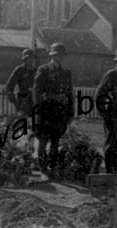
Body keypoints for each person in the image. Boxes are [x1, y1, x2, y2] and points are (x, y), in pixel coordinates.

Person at [33, 42, 74, 175]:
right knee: (43, 140)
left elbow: (70, 94)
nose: (60, 57)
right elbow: (37, 91)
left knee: (56, 140)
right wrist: (38, 109)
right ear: (52, 55)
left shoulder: (66, 73)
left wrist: (70, 112)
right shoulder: (43, 70)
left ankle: (52, 166)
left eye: (62, 55)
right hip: (46, 111)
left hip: (59, 112)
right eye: (57, 54)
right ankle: (42, 167)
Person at [5, 48, 36, 117]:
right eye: (28, 58)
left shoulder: (36, 70)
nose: (30, 60)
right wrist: (14, 101)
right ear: (24, 59)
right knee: (22, 122)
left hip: (34, 101)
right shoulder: (19, 70)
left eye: (32, 58)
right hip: (23, 101)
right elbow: (9, 87)